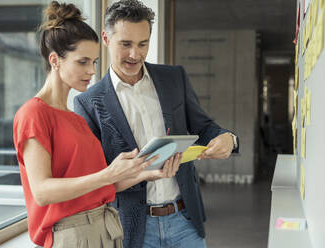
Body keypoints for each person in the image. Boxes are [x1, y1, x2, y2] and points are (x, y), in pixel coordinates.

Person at [12, 1, 181, 247]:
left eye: (94, 61)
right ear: (55, 60)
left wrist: (146, 173)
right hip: (72, 235)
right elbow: (42, 191)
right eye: (83, 62)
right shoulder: (33, 114)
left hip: (105, 230)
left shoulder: (76, 119)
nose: (92, 71)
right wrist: (106, 174)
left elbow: (102, 184)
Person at [74, 0, 239, 247]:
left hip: (185, 221)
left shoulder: (173, 78)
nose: (135, 54)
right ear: (106, 39)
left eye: (143, 44)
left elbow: (203, 127)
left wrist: (228, 137)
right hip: (133, 230)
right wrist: (140, 173)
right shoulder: (88, 102)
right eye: (126, 44)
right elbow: (96, 179)